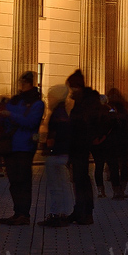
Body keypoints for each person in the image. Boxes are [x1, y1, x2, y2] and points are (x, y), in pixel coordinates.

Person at [0, 72, 44, 226]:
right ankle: (18, 212)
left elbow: (31, 122)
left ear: (32, 84)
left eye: (25, 83)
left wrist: (11, 115)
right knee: (14, 181)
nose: (22, 86)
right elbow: (4, 117)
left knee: (23, 181)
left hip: (25, 146)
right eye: (21, 83)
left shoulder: (37, 103)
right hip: (11, 144)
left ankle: (24, 214)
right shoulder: (16, 100)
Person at [66, 70, 100, 225]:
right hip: (78, 144)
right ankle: (80, 209)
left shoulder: (87, 101)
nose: (70, 91)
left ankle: (86, 212)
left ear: (77, 87)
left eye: (72, 87)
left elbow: (83, 123)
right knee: (79, 179)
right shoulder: (83, 101)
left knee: (82, 179)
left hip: (81, 144)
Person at [38, 84, 73, 227]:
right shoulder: (65, 112)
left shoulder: (55, 114)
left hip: (55, 154)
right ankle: (64, 213)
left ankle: (55, 214)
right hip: (64, 153)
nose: (48, 100)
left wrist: (46, 145)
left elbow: (52, 136)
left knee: (55, 186)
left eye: (50, 97)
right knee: (63, 185)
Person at [103, 89, 128, 200]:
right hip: (122, 141)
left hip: (112, 142)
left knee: (114, 167)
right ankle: (121, 190)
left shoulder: (107, 109)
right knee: (123, 167)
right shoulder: (125, 108)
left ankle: (117, 191)